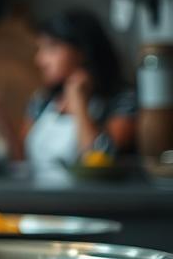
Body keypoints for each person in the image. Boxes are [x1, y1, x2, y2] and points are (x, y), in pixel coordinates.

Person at [21, 9, 135, 173]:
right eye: (40, 49)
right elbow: (20, 160)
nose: (40, 60)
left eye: (51, 48)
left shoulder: (123, 101)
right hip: (39, 198)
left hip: (93, 198)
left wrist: (77, 101)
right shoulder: (42, 101)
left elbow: (98, 159)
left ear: (82, 50)